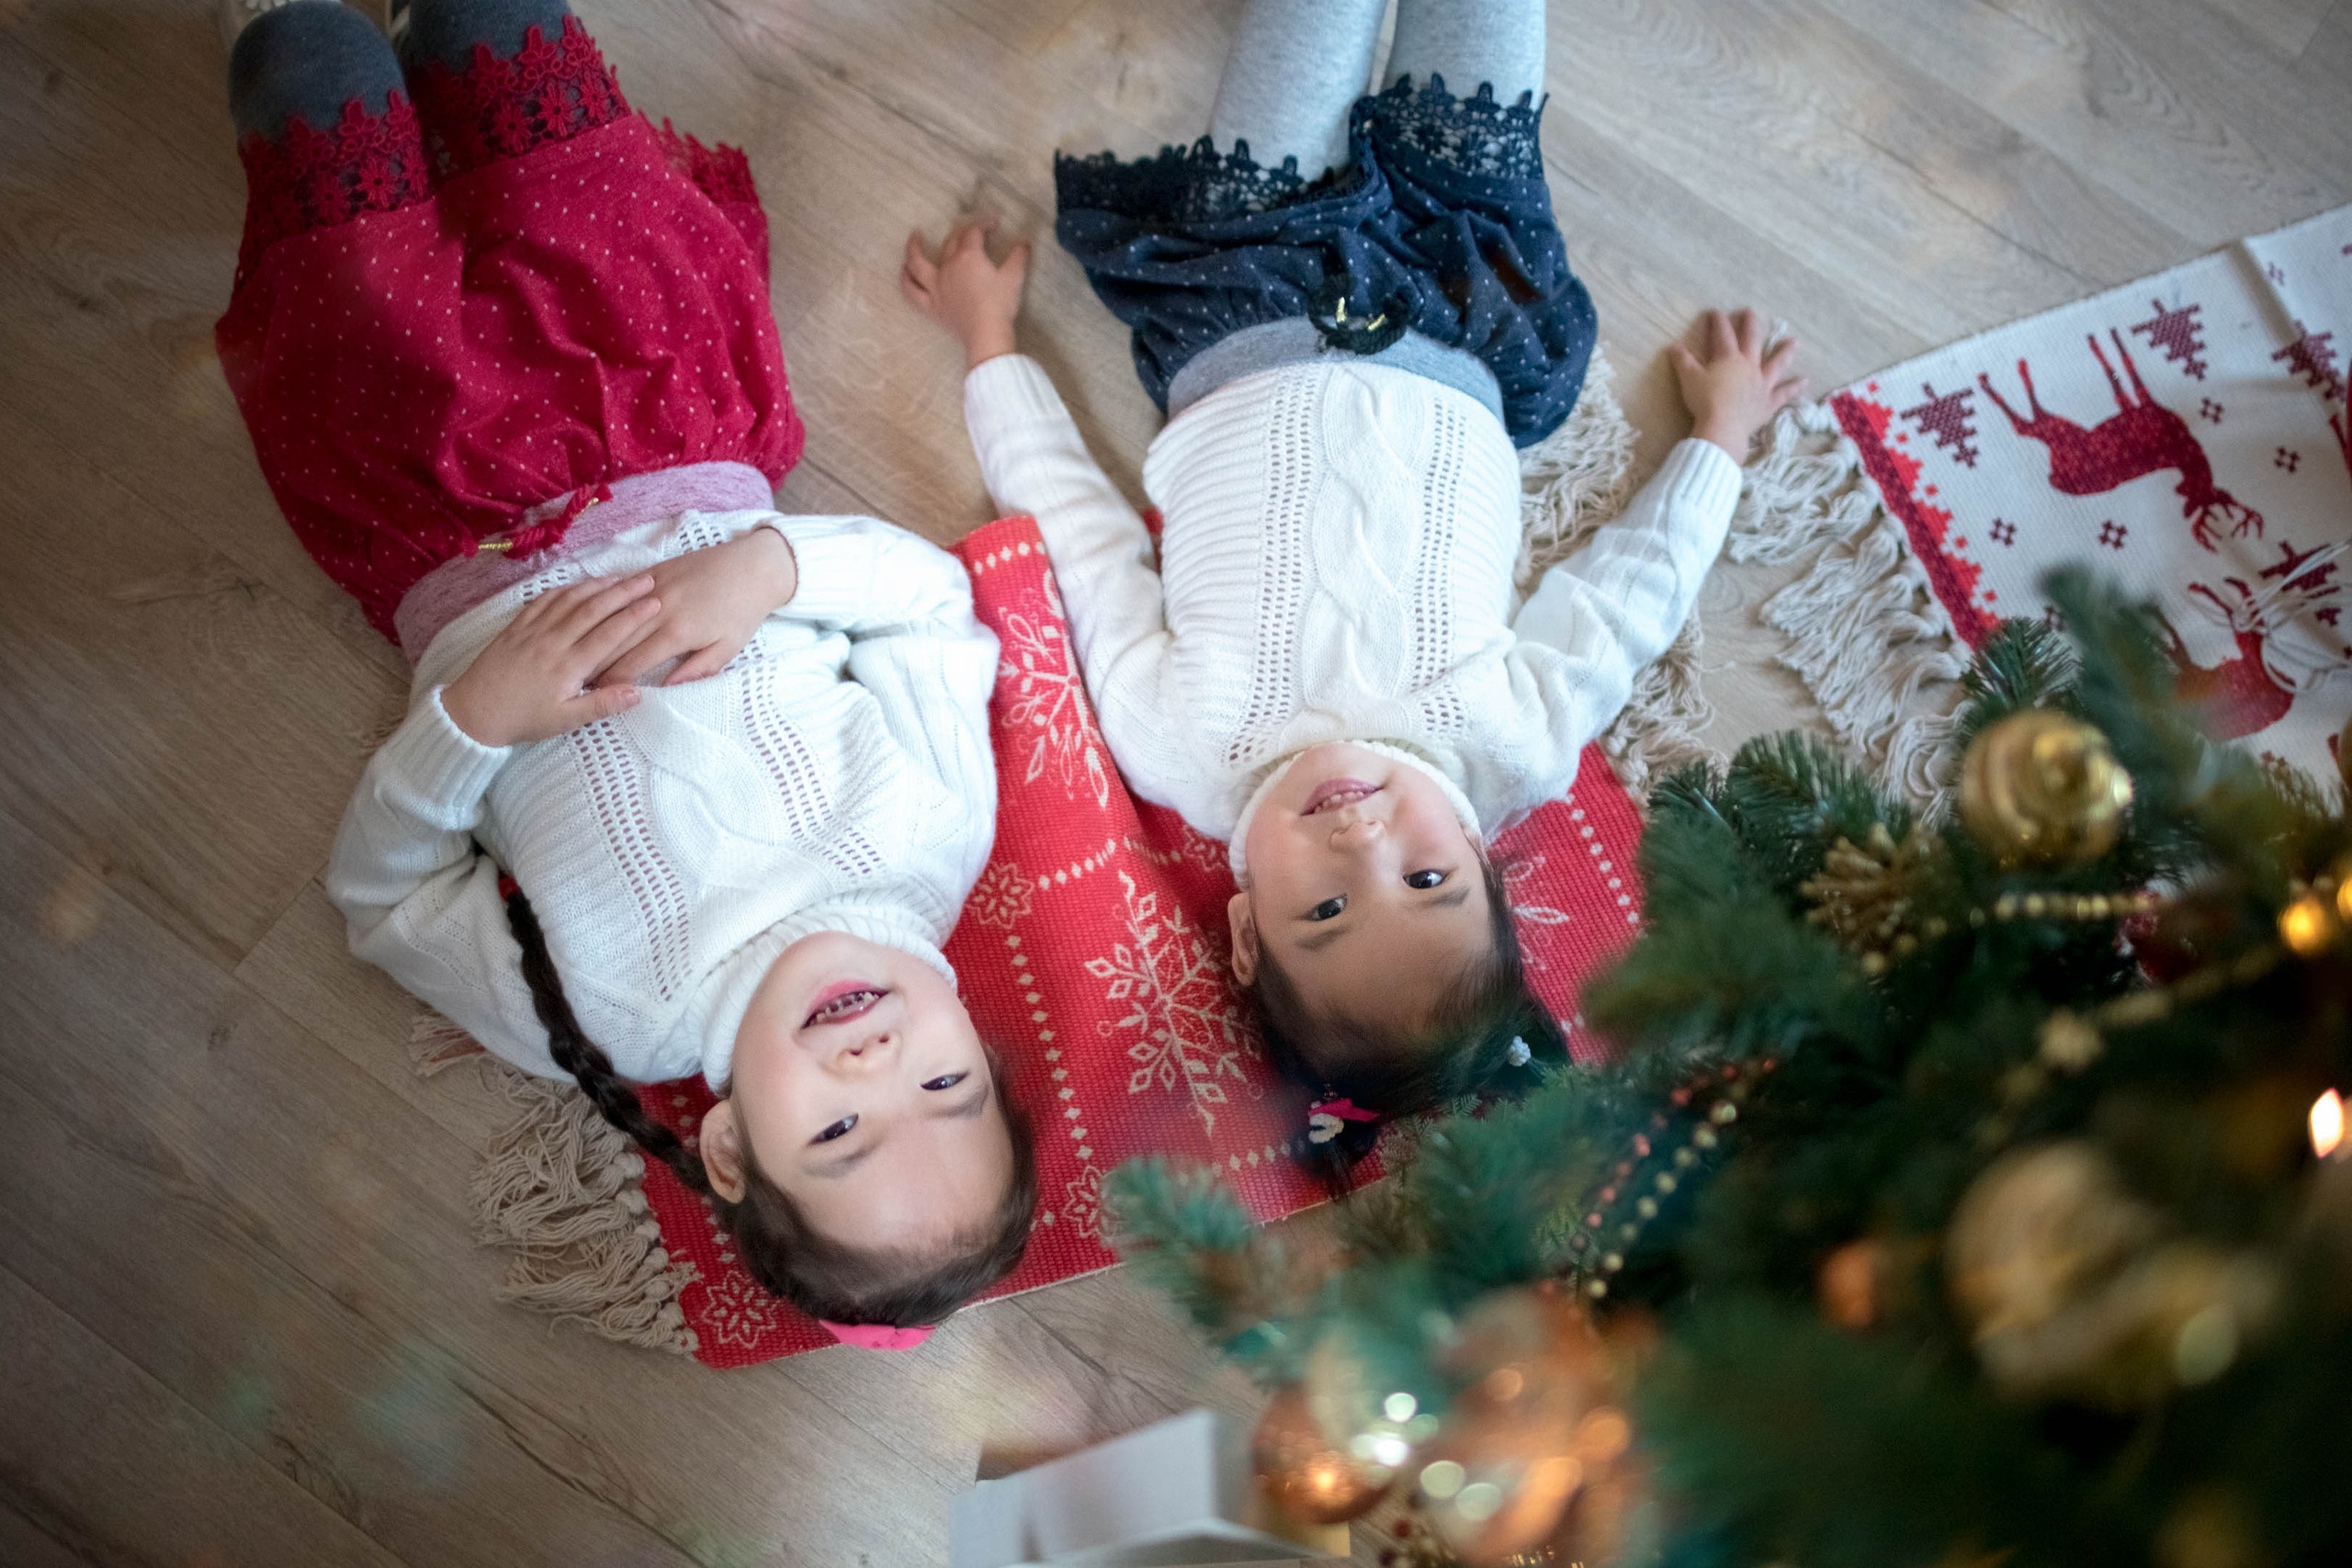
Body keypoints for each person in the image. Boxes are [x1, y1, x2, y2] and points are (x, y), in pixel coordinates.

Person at [219, 0, 1034, 1337]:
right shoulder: (934, 833)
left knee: (326, 151)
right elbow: (935, 612)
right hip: (662, 411)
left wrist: (472, 723)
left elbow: (381, 898)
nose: (878, 1064)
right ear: (976, 1043)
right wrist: (770, 571)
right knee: (528, 92)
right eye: (943, 1088)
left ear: (726, 1148)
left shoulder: (598, 1021)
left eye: (837, 1129)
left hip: (444, 505)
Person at [901, 0, 1803, 1174]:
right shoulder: (1512, 744)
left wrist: (988, 349)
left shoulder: (1182, 747)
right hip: (1471, 310)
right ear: (1483, 859)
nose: (1361, 842)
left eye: (1321, 911)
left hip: (1251, 290)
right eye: (1425, 879)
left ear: (1241, 931)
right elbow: (1635, 594)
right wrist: (1719, 445)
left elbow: (1079, 539)